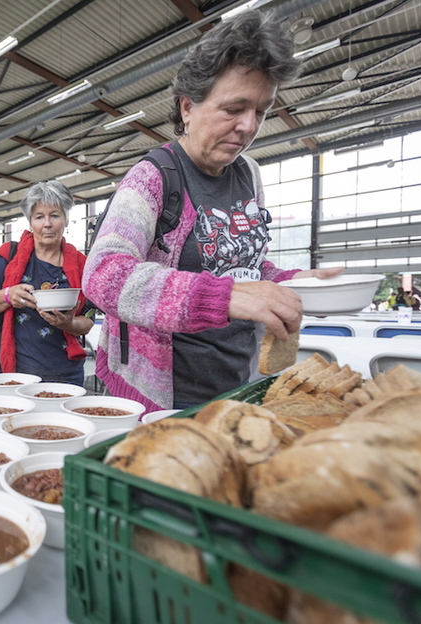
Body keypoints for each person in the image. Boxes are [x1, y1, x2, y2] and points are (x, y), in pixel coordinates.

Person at [82, 11, 342, 411]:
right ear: (188, 106)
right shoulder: (152, 178)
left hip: (233, 377)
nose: (248, 126)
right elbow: (103, 275)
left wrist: (294, 281)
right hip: (161, 392)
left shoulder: (248, 174)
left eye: (262, 110)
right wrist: (225, 297)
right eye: (233, 109)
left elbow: (241, 266)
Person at [0, 180, 93, 385]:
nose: (47, 223)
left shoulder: (83, 265)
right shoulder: (8, 255)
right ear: (30, 223)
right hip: (17, 372)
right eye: (39, 217)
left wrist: (69, 323)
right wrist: (8, 295)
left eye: (55, 215)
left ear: (66, 220)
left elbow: (88, 321)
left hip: (67, 373)